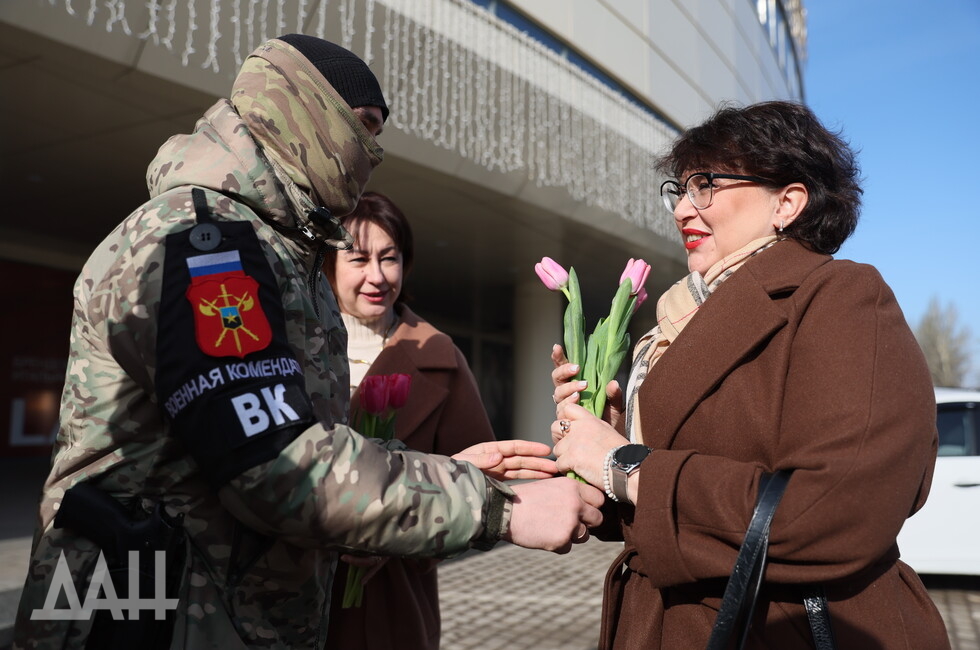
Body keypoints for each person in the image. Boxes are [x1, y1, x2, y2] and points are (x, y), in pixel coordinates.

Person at [14, 34, 603, 649]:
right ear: (308, 111)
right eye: (365, 127)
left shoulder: (277, 252)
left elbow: (287, 444)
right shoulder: (205, 244)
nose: (374, 153)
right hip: (145, 620)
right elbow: (276, 465)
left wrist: (434, 471)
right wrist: (497, 508)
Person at [550, 101, 950, 648]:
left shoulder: (840, 297)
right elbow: (673, 512)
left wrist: (624, 463)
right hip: (664, 622)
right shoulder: (675, 319)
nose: (682, 210)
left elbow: (836, 511)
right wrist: (606, 450)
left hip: (784, 628)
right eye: (680, 188)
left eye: (706, 184)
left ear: (787, 202)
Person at [320, 190, 500, 648]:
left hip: (394, 599)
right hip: (295, 594)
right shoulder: (294, 350)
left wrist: (402, 534)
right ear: (328, 264)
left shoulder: (441, 357)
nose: (377, 276)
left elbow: (481, 478)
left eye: (390, 258)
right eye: (358, 259)